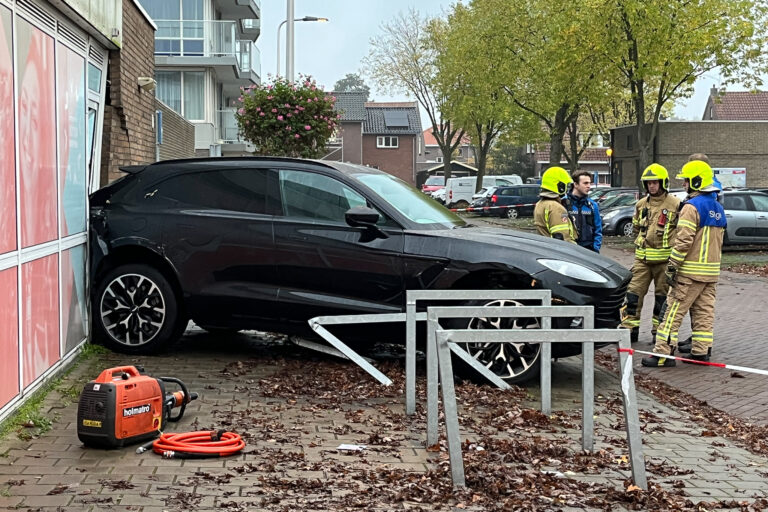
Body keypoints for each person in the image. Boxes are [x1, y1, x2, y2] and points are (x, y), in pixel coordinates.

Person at [642, 160, 726, 367]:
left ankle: (663, 354)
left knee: (671, 313)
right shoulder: (718, 208)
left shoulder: (691, 207)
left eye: (687, 181)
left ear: (696, 181)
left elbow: (683, 241)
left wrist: (672, 267)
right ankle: (700, 352)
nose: (685, 185)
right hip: (711, 273)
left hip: (689, 273)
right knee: (704, 312)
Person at [620, 164, 680, 343]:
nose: (652, 186)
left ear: (663, 183)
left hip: (664, 260)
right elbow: (637, 227)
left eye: (655, 183)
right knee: (633, 294)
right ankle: (630, 329)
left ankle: (658, 332)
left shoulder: (675, 204)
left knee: (662, 297)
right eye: (648, 183)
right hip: (643, 259)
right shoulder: (640, 205)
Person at [533, 166, 576, 243]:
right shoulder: (557, 208)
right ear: (561, 187)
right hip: (562, 253)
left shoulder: (540, 204)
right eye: (566, 186)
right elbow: (563, 238)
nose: (567, 190)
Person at [566, 171, 602, 252]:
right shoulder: (564, 204)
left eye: (589, 183)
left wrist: (595, 248)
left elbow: (598, 230)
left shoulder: (592, 205)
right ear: (575, 184)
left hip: (588, 249)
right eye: (585, 183)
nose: (589, 186)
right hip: (569, 248)